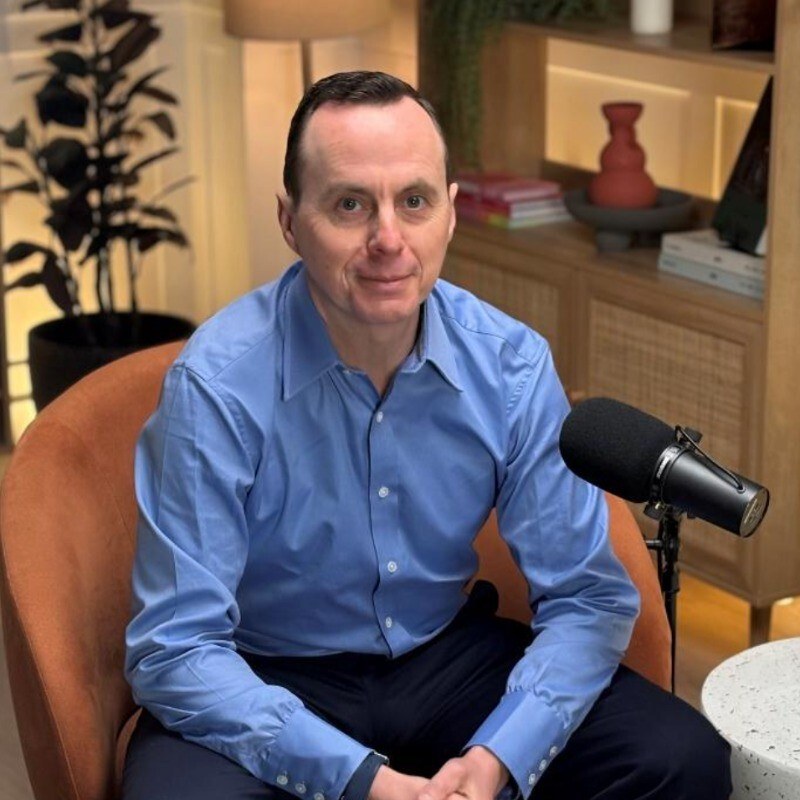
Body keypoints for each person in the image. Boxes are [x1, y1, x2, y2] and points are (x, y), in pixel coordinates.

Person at [123, 71, 731, 800]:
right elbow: (176, 649)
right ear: (289, 220)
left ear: (448, 214)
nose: (388, 239)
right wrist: (361, 780)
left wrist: (499, 757)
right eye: (349, 204)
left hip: (448, 660)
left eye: (412, 202)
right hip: (266, 670)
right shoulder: (214, 388)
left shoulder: (509, 364)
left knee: (681, 758)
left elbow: (585, 597)